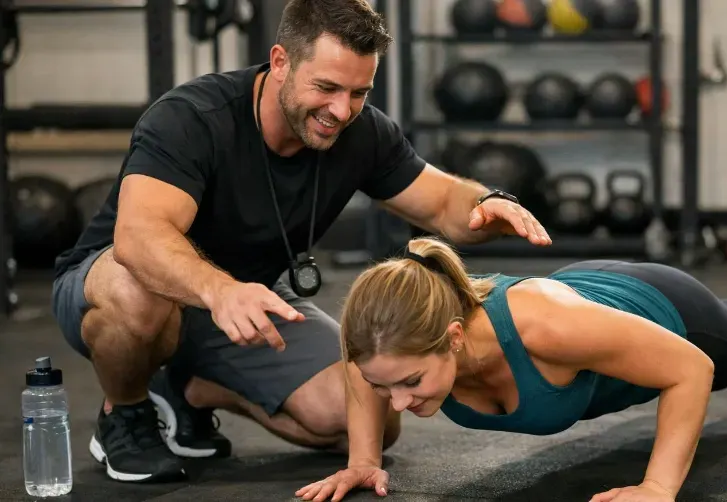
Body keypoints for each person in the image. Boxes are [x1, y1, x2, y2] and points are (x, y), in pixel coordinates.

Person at [50, 0, 551, 484]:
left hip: (250, 297)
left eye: (359, 93)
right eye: (328, 87)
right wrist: (221, 291)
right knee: (136, 293)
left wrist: (488, 204)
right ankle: (126, 412)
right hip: (125, 286)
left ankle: (187, 389)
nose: (341, 110)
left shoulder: (361, 132)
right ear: (280, 61)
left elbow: (443, 200)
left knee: (362, 416)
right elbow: (139, 239)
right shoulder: (192, 118)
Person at [296, 236, 727, 502]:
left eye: (411, 383)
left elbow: (689, 369)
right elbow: (359, 366)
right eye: (383, 385)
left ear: (455, 336)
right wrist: (363, 459)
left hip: (665, 306)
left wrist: (658, 488)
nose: (398, 403)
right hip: (587, 300)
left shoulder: (547, 330)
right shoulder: (391, 340)